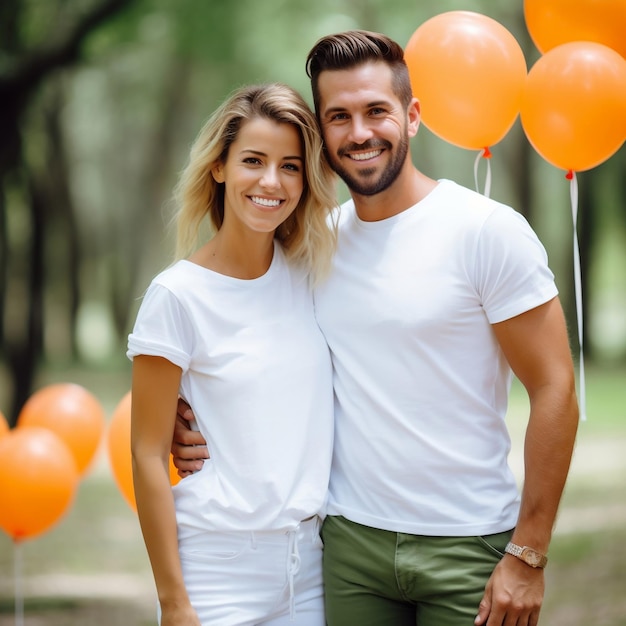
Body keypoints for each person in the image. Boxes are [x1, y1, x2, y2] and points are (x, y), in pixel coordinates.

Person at [172, 31, 579, 626]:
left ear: (412, 117)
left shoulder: (486, 232)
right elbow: (241, 335)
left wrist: (529, 553)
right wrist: (185, 413)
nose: (358, 133)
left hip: (468, 546)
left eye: (375, 112)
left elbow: (555, 388)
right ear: (321, 129)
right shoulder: (314, 245)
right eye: (338, 116)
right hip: (347, 550)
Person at [127, 82, 338, 626]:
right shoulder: (177, 297)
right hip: (215, 573)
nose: (272, 181)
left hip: (309, 566)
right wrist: (175, 603)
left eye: (291, 166)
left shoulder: (314, 274)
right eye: (253, 160)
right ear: (219, 167)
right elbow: (148, 456)